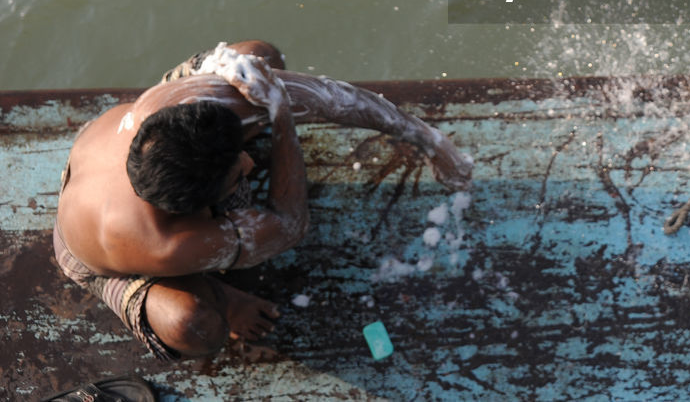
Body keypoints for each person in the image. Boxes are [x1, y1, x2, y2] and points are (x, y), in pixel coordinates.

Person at [52, 41, 473, 361]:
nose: (251, 164)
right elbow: (287, 225)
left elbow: (332, 98)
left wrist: (433, 143)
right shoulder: (166, 242)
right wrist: (281, 118)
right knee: (192, 323)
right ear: (196, 212)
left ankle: (241, 124)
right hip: (91, 253)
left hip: (121, 164)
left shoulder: (166, 112)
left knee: (257, 56)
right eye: (238, 171)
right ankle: (228, 298)